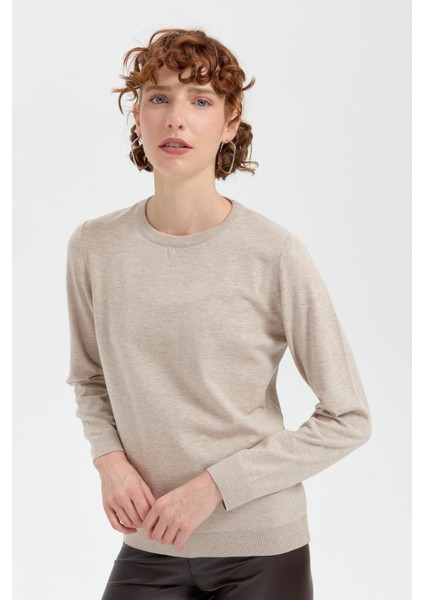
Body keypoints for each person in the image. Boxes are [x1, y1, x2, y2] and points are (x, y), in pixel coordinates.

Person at [65, 27, 372, 600]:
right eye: (159, 97)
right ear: (137, 115)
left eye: (201, 101)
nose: (176, 119)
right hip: (150, 542)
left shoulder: (275, 254)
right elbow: (89, 378)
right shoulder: (94, 246)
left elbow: (348, 417)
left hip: (262, 549)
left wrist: (214, 487)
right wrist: (109, 460)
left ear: (231, 122)